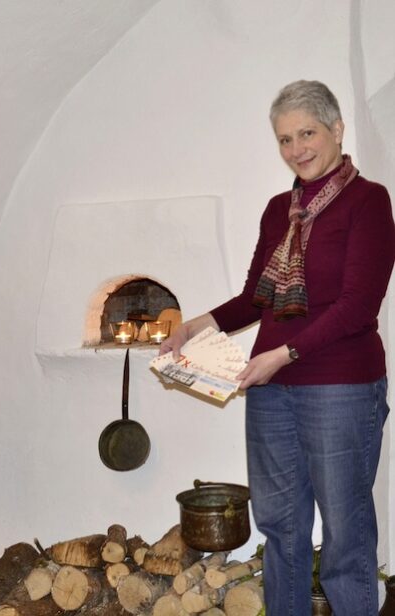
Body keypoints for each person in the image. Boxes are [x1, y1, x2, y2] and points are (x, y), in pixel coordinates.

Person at [160, 80, 395, 614]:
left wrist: (283, 355)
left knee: (345, 533)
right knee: (281, 530)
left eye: (307, 133)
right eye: (285, 139)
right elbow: (253, 300)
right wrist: (191, 327)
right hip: (270, 392)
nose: (297, 149)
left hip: (341, 389)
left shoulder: (369, 201)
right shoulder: (277, 210)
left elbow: (360, 305)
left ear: (337, 130)